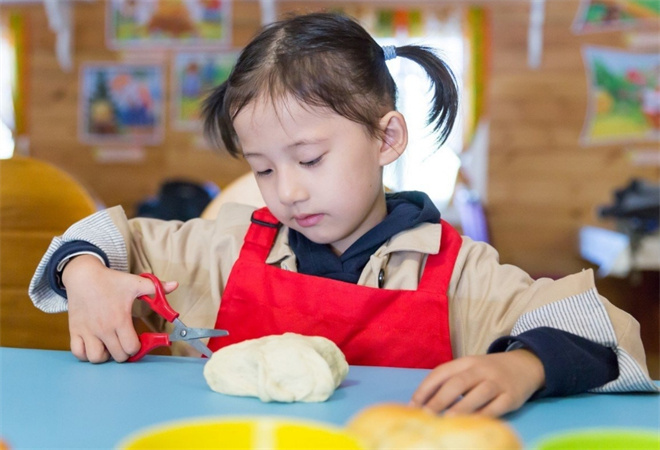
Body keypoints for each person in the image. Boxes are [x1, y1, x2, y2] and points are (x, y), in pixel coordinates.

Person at [29, 12, 656, 417]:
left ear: (386, 140)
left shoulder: (460, 275)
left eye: (310, 158)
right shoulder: (225, 253)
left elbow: (601, 328)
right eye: (265, 168)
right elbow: (107, 237)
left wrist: (523, 365)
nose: (288, 193)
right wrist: (85, 273)